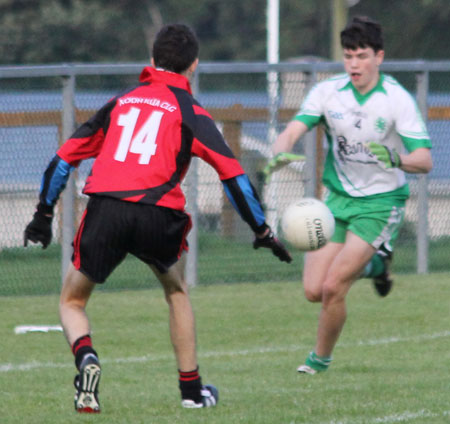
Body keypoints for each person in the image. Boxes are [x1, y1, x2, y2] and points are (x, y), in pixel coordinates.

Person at [24, 23, 291, 413]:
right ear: (194, 66)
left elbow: (64, 159)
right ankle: (191, 392)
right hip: (158, 214)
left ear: (151, 62)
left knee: (73, 301)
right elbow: (233, 174)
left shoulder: (121, 102)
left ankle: (86, 358)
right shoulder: (191, 112)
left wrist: (43, 214)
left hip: (108, 210)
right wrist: (262, 229)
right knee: (176, 292)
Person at [268, 16, 432, 374]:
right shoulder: (329, 92)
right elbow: (295, 128)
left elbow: (425, 160)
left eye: (361, 56)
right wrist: (281, 148)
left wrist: (398, 158)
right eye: (348, 56)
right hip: (337, 201)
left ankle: (318, 361)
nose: (354, 64)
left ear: (379, 57)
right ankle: (377, 265)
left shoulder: (396, 99)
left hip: (380, 203)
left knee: (332, 287)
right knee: (313, 290)